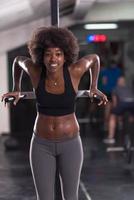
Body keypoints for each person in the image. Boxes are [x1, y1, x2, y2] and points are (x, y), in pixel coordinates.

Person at [1, 26, 108, 200]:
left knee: (70, 197)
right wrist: (16, 88)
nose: (53, 59)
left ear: (65, 55)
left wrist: (93, 87)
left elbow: (94, 59)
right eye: (48, 54)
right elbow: (18, 61)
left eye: (58, 53)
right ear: (41, 56)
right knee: (44, 198)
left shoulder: (74, 72)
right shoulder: (36, 72)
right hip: (41, 145)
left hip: (71, 144)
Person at [103, 76, 134, 144]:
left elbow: (115, 102)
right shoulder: (129, 88)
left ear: (118, 82)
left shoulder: (115, 88)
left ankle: (111, 138)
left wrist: (115, 110)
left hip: (123, 103)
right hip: (132, 103)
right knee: (131, 118)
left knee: (112, 117)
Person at [99, 59, 122, 131]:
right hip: (115, 92)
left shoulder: (105, 71)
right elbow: (120, 83)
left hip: (107, 92)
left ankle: (106, 125)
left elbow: (104, 82)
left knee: (107, 110)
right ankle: (119, 125)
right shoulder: (119, 71)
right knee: (117, 109)